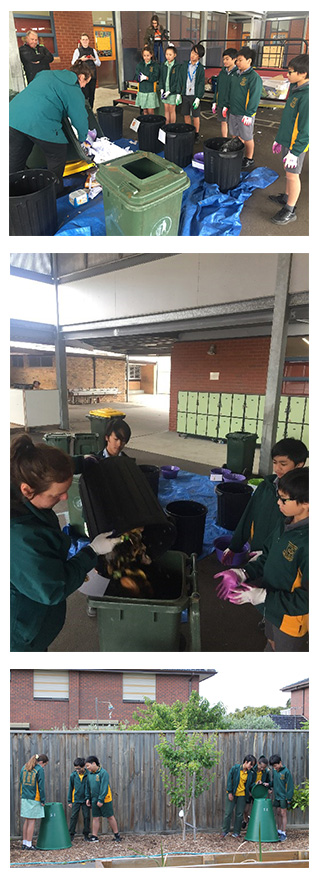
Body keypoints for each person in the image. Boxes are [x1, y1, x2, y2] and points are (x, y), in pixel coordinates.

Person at [10, 435, 121, 651]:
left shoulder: (21, 480)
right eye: (57, 494)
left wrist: (84, 461)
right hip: (20, 635)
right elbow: (53, 587)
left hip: (35, 621)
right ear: (27, 490)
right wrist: (91, 552)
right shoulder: (19, 537)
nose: (63, 499)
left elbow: (54, 469)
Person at [217, 467, 309, 652]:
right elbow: (267, 556)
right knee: (271, 642)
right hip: (270, 608)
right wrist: (243, 573)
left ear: (307, 502)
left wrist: (262, 596)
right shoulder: (285, 523)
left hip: (289, 619)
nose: (278, 502)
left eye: (284, 499)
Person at [9, 60, 91, 194]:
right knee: (57, 153)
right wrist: (82, 139)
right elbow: (80, 118)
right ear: (81, 77)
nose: (82, 87)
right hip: (40, 120)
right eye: (84, 83)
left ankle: (13, 192)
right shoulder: (73, 88)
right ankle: (54, 190)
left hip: (12, 117)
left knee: (15, 158)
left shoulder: (46, 74)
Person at [222, 438, 308, 562]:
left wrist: (269, 553)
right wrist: (234, 545)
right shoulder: (266, 487)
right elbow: (249, 514)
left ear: (299, 464)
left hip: (281, 558)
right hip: (257, 550)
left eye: (283, 464)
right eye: (274, 462)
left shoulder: (302, 498)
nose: (277, 468)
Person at [269, 54, 309, 226]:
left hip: (296, 146)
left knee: (293, 176)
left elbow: (307, 129)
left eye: (291, 72)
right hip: (287, 141)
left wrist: (296, 151)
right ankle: (286, 198)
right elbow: (288, 119)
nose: (287, 75)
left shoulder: (308, 96)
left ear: (304, 73)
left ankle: (290, 210)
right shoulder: (296, 89)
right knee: (288, 174)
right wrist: (279, 139)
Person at [226, 47, 263, 169]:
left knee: (247, 137)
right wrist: (227, 106)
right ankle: (238, 155)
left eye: (240, 60)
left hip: (245, 114)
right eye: (236, 60)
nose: (237, 63)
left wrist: (249, 113)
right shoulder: (235, 75)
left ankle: (249, 158)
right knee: (235, 135)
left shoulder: (254, 77)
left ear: (249, 61)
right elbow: (230, 92)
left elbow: (254, 97)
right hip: (234, 111)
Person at [85, 756, 121, 842]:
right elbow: (87, 786)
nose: (87, 768)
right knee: (95, 817)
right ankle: (94, 836)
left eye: (88, 765)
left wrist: (101, 799)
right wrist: (87, 798)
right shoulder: (89, 774)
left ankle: (117, 835)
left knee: (110, 816)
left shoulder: (103, 773)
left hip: (105, 799)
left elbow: (104, 787)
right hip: (94, 799)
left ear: (94, 763)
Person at [221, 755, 255, 838]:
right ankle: (225, 831)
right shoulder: (235, 769)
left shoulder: (250, 773)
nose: (251, 767)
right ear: (246, 762)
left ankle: (236, 832)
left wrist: (257, 784)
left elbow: (251, 784)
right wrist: (229, 792)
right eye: (251, 764)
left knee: (239, 814)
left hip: (242, 795)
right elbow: (229, 780)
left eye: (252, 765)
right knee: (228, 813)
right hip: (233, 794)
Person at [20, 753, 48, 850]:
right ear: (41, 762)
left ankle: (24, 843)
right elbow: (41, 786)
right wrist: (43, 799)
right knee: (32, 821)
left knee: (26, 820)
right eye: (45, 764)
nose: (44, 766)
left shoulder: (24, 767)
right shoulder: (39, 769)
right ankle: (29, 844)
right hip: (34, 797)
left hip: (24, 796)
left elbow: (21, 781)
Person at [177, 43, 205, 139]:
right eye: (192, 52)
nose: (193, 55)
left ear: (199, 57)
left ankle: (196, 134)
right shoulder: (185, 66)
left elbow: (201, 83)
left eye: (196, 54)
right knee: (186, 114)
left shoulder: (200, 68)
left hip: (194, 95)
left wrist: (198, 97)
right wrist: (178, 93)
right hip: (185, 94)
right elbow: (180, 79)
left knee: (196, 115)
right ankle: (188, 130)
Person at [211, 48, 238, 137]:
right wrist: (215, 101)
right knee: (223, 122)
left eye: (227, 59)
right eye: (223, 59)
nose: (224, 61)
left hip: (232, 104)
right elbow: (217, 88)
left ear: (234, 59)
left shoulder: (238, 73)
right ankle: (224, 140)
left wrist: (228, 104)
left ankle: (234, 144)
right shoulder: (222, 73)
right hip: (222, 103)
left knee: (234, 125)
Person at [71, 33, 101, 109]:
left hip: (92, 76)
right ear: (80, 41)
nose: (85, 41)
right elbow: (73, 63)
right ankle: (84, 110)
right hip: (83, 77)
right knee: (84, 95)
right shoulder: (77, 51)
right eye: (83, 39)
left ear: (89, 41)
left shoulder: (93, 50)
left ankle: (91, 109)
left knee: (92, 95)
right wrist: (81, 59)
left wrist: (93, 59)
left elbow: (99, 63)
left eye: (86, 39)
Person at [269, 754, 294, 841]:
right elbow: (273, 782)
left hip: (284, 797)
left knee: (283, 813)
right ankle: (278, 830)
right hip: (277, 796)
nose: (275, 768)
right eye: (273, 766)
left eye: (276, 766)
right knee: (278, 812)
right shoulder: (275, 771)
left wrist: (289, 798)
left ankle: (284, 833)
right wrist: (268, 785)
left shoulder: (286, 772)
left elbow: (290, 786)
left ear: (280, 762)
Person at [243, 755, 271, 830]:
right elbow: (248, 782)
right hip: (250, 791)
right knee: (246, 809)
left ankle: (256, 825)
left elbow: (268, 781)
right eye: (261, 767)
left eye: (264, 768)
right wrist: (254, 784)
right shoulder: (252, 770)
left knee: (257, 809)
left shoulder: (266, 772)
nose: (262, 769)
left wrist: (268, 788)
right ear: (258, 763)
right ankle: (245, 820)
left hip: (259, 792)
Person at [68, 758, 91, 842]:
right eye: (76, 768)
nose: (77, 770)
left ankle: (86, 834)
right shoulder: (73, 775)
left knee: (86, 817)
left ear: (83, 766)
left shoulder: (88, 774)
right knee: (73, 817)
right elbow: (70, 788)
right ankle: (71, 835)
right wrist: (70, 801)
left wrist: (89, 798)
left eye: (79, 768)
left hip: (86, 800)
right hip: (76, 799)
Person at [134, 47, 160, 115]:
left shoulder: (155, 65)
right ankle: (146, 124)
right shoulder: (140, 65)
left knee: (151, 110)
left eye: (148, 55)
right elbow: (136, 77)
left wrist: (147, 78)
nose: (146, 57)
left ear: (151, 55)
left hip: (150, 90)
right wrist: (139, 78)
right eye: (144, 56)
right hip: (142, 90)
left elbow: (156, 77)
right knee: (144, 110)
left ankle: (152, 125)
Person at [159, 44, 180, 124]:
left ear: (175, 55)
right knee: (166, 109)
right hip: (165, 91)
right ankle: (167, 126)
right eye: (167, 54)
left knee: (172, 110)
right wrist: (162, 89)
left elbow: (177, 81)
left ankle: (172, 126)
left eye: (170, 54)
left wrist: (170, 91)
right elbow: (161, 78)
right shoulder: (164, 65)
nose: (168, 56)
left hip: (172, 92)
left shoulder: (177, 66)